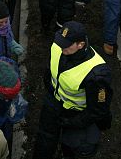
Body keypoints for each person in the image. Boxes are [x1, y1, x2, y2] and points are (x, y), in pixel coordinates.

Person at [32, 22, 112, 159]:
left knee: (75, 147)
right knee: (45, 139)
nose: (61, 46)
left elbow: (97, 110)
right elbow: (50, 71)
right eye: (60, 41)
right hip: (54, 103)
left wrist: (72, 123)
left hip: (75, 114)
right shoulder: (59, 46)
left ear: (80, 45)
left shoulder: (96, 73)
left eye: (66, 44)